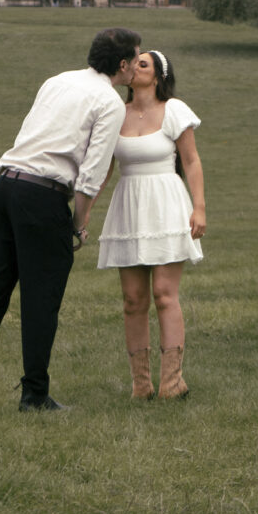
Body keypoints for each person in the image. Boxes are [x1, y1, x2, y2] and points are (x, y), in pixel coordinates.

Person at [0, 27, 142, 413]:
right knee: (41, 296)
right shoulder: (111, 101)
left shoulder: (57, 81)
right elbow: (92, 173)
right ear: (122, 64)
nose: (138, 66)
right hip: (43, 195)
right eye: (135, 59)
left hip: (6, 184)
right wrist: (79, 224)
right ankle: (34, 394)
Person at [96, 49, 206, 401]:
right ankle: (140, 385)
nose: (133, 67)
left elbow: (190, 161)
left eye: (143, 64)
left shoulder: (174, 110)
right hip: (129, 206)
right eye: (132, 63)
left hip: (167, 205)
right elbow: (104, 170)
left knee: (163, 293)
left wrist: (199, 208)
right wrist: (82, 211)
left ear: (158, 75)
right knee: (133, 299)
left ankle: (172, 383)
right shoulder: (116, 113)